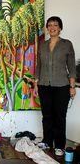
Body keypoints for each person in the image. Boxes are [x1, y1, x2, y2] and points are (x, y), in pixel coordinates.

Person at [34, 16, 76, 156]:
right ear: (47, 28)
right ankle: (46, 141)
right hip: (44, 85)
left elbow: (71, 67)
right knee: (47, 116)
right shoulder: (43, 45)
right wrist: (36, 85)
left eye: (55, 25)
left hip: (62, 86)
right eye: (50, 25)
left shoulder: (67, 44)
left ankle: (59, 145)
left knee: (59, 116)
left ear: (60, 28)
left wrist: (72, 86)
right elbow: (38, 66)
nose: (52, 27)